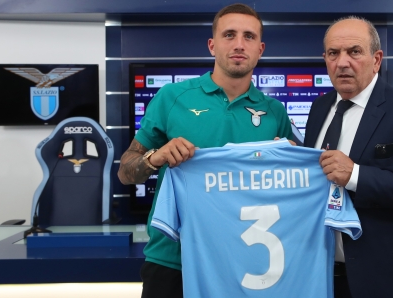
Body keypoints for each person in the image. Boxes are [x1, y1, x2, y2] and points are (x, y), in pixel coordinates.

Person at [118, 4, 292, 298]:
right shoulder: (171, 97)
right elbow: (126, 171)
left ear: (260, 49)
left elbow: (289, 185)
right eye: (229, 35)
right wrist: (155, 157)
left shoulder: (275, 112)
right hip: (173, 259)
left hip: (246, 261)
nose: (239, 44)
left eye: (248, 37)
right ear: (212, 45)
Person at [304, 16, 393, 298]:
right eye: (333, 53)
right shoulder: (319, 108)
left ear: (377, 59)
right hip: (321, 274)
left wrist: (356, 175)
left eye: (354, 51)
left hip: (389, 278)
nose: (342, 62)